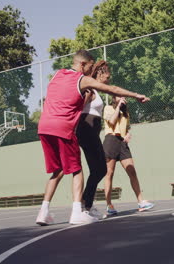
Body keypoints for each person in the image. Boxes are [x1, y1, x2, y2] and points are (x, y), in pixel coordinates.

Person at [35, 50, 150, 226]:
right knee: (78, 170)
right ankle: (79, 209)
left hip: (45, 126)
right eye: (89, 65)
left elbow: (52, 98)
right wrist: (136, 95)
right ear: (83, 64)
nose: (90, 68)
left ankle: (45, 212)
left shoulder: (57, 75)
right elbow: (111, 90)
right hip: (68, 127)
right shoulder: (85, 83)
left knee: (59, 171)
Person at [102, 95, 154, 216]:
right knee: (109, 174)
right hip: (111, 140)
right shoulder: (108, 108)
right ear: (114, 99)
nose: (122, 98)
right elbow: (112, 121)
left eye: (123, 96)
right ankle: (109, 205)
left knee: (132, 171)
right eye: (119, 96)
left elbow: (127, 127)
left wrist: (128, 134)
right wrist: (119, 106)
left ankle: (141, 202)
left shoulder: (126, 113)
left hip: (122, 143)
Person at [75, 60, 110, 220]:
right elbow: (79, 107)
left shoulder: (95, 89)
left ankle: (86, 204)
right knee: (101, 169)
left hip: (91, 133)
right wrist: (84, 126)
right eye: (107, 74)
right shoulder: (90, 90)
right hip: (86, 132)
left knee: (97, 170)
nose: (109, 78)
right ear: (100, 73)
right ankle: (85, 204)